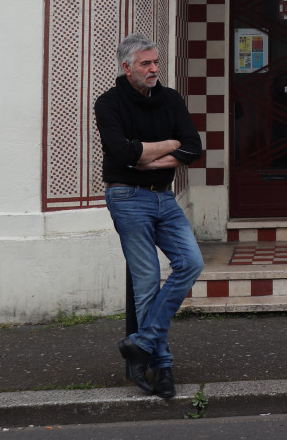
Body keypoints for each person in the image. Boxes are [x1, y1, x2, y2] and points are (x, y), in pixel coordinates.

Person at [95, 35, 204, 399]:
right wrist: (171, 145)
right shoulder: (108, 103)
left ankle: (141, 343)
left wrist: (147, 155)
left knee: (191, 263)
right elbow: (124, 154)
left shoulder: (171, 99)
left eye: (156, 62)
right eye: (146, 63)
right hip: (126, 197)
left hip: (164, 198)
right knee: (145, 284)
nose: (155, 68)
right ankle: (163, 367)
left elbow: (195, 147)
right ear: (127, 67)